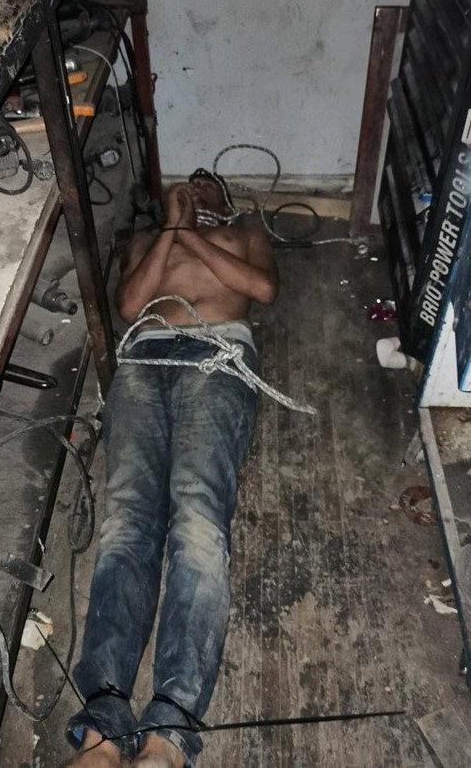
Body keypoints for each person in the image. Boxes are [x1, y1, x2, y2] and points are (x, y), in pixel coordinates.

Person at [66, 170, 279, 768]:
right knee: (126, 521)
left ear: (226, 200)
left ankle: (168, 730)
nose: (199, 182)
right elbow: (129, 305)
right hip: (144, 356)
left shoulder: (245, 232)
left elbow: (262, 288)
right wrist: (169, 229)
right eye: (189, 181)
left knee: (198, 518)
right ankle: (102, 727)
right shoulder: (146, 239)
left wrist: (189, 233)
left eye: (210, 183)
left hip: (218, 355)